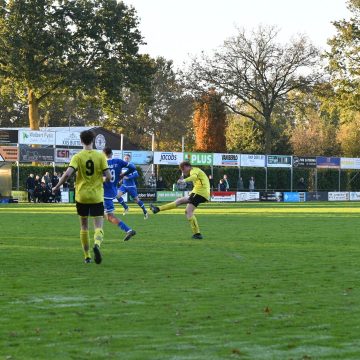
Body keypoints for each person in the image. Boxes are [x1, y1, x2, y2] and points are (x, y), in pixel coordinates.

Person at [52, 130, 111, 264]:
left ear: (81, 141)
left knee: (84, 226)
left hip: (82, 196)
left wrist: (56, 186)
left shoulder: (77, 157)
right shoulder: (100, 156)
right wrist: (101, 180)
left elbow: (67, 174)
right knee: (98, 225)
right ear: (93, 140)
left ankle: (87, 256)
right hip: (96, 196)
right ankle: (97, 244)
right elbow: (109, 177)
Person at [150, 161, 210, 240]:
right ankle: (197, 234)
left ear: (186, 167)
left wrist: (184, 180)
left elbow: (194, 177)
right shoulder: (195, 170)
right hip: (199, 192)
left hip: (200, 193)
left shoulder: (194, 170)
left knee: (181, 203)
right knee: (187, 210)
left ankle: (158, 209)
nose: (183, 171)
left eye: (182, 169)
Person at [102, 148, 137, 240]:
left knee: (109, 216)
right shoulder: (118, 161)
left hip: (104, 193)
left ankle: (128, 230)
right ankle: (98, 236)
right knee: (100, 214)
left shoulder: (102, 163)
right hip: (112, 190)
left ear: (103, 154)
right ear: (112, 153)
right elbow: (133, 167)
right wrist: (122, 175)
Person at [116, 153, 148, 219]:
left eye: (127, 158)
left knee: (136, 200)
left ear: (130, 159)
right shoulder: (122, 166)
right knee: (117, 195)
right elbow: (121, 175)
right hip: (124, 185)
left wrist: (129, 177)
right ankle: (126, 207)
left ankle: (145, 211)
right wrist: (120, 180)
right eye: (125, 158)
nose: (126, 159)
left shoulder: (131, 166)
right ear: (123, 159)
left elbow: (136, 175)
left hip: (131, 187)